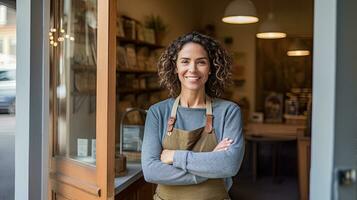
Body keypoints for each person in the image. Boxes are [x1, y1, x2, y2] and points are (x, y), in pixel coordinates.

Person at [141, 32, 244, 200]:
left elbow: (229, 165)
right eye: (185, 61)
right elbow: (151, 171)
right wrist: (208, 169)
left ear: (211, 68)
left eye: (201, 62)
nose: (192, 69)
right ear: (175, 67)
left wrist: (173, 156)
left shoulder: (229, 112)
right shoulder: (157, 112)